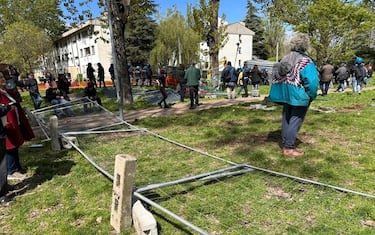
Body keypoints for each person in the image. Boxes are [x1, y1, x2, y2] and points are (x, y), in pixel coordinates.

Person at [268, 33, 319, 157]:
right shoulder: (306, 61)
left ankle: (286, 142)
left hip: (285, 93)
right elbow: (311, 82)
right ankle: (289, 148)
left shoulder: (285, 58)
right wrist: (311, 95)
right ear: (306, 46)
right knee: (295, 120)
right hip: (298, 94)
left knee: (287, 118)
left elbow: (276, 75)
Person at [0, 71, 35, 181]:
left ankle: (17, 166)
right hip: (6, 123)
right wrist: (7, 108)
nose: (3, 79)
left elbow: (15, 100)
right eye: (0, 78)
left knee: (16, 144)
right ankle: (11, 170)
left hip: (14, 120)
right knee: (10, 147)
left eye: (2, 77)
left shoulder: (5, 90)